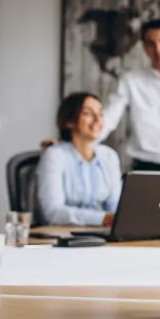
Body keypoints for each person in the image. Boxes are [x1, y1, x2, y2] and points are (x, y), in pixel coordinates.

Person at [42, 19, 160, 173]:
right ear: (144, 48)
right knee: (140, 219)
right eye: (151, 43)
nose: (158, 49)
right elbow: (107, 120)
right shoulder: (131, 82)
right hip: (144, 168)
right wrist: (70, 144)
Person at [36, 92, 122, 227]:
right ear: (69, 122)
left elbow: (116, 208)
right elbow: (53, 212)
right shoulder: (55, 156)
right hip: (63, 236)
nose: (98, 120)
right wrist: (102, 218)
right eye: (88, 113)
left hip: (103, 235)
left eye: (100, 114)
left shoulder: (109, 156)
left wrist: (115, 218)